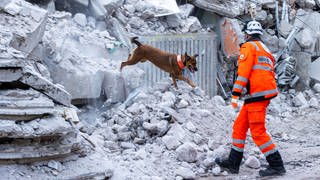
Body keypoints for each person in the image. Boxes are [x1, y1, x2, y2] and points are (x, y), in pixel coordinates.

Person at [215, 20, 286, 177]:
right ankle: (233, 163)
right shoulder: (265, 49)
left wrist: (235, 95)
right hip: (261, 93)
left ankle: (277, 165)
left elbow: (244, 74)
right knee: (239, 127)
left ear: (247, 34)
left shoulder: (248, 47)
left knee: (258, 132)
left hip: (256, 95)